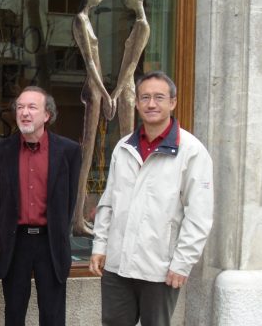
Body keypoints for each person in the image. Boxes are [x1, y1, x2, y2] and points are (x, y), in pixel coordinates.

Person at [89, 72, 214, 326]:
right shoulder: (124, 147)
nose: (151, 104)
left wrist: (182, 262)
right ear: (136, 103)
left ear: (173, 103)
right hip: (118, 266)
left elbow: (199, 216)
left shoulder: (191, 151)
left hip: (160, 269)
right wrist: (100, 246)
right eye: (145, 97)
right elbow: (108, 202)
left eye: (159, 97)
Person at [0, 86, 81, 326]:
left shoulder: (69, 151)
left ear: (47, 115)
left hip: (50, 243)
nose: (24, 113)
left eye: (32, 107)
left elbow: (69, 200)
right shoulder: (0, 151)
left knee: (52, 316)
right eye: (20, 107)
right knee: (14, 314)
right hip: (15, 242)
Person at [72, 0, 115, 236]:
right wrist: (105, 93)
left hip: (97, 91)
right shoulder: (80, 20)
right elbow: (89, 62)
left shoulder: (88, 20)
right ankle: (77, 220)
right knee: (86, 155)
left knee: (90, 153)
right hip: (93, 90)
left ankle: (79, 219)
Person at [111, 0, 151, 136]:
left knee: (126, 134)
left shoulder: (143, 26)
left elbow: (134, 62)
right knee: (123, 133)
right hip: (124, 85)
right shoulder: (136, 24)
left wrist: (117, 91)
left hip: (127, 87)